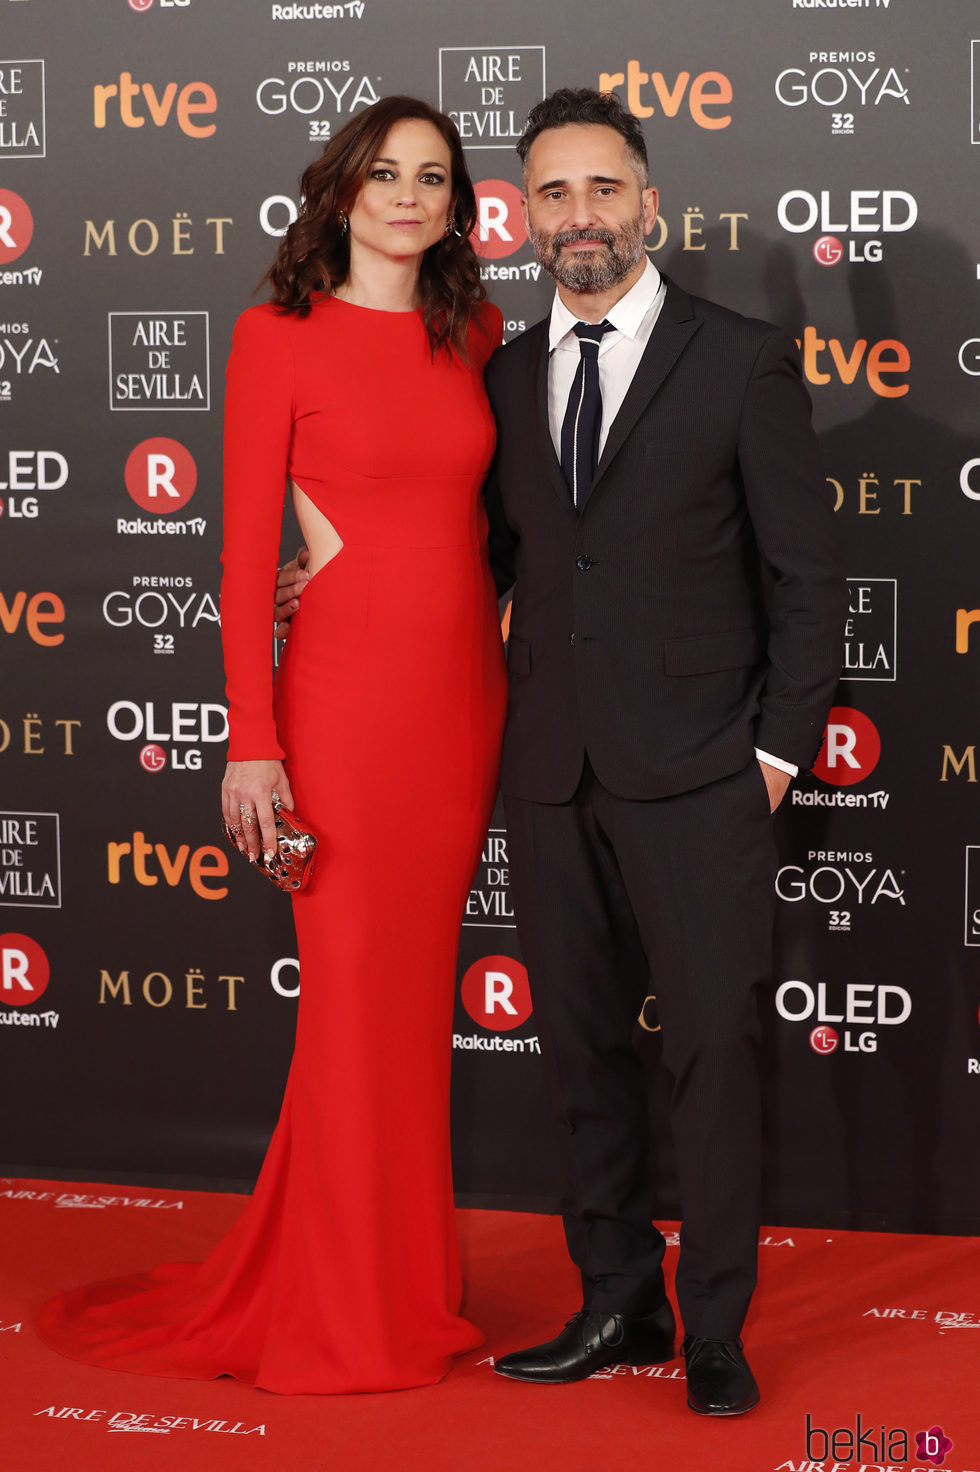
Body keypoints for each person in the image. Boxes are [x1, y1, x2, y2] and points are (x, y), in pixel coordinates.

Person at [277, 88, 845, 1416]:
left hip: (706, 772)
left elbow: (808, 584)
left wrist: (773, 758)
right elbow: (471, 560)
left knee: (711, 1054)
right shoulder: (503, 370)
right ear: (522, 214)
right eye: (551, 194)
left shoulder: (744, 358)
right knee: (582, 1051)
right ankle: (616, 1301)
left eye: (602, 190)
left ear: (649, 204)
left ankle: (713, 1325)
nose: (577, 216)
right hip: (549, 768)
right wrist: (324, 580)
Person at [36, 96, 507, 1395]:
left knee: (409, 1012)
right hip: (342, 713)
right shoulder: (274, 337)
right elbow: (246, 561)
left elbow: (498, 527)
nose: (409, 197)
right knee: (352, 1001)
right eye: (386, 174)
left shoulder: (475, 331)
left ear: (456, 203)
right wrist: (255, 741)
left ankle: (400, 1280)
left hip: (462, 706)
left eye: (434, 178)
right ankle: (352, 1308)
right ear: (342, 190)